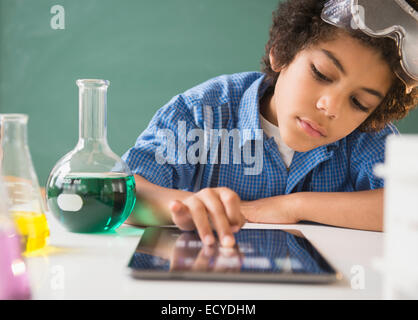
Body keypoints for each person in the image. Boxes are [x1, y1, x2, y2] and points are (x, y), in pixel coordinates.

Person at [122, 0, 418, 247]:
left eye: (359, 103)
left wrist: (292, 207)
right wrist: (188, 208)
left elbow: (411, 204)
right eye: (322, 74)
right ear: (282, 52)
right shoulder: (201, 113)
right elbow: (124, 191)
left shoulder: (364, 138)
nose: (331, 108)